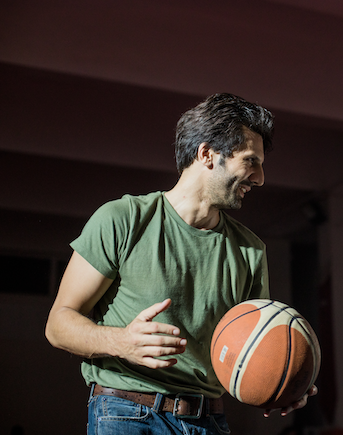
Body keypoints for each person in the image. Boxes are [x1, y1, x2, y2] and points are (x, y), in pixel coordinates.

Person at [45, 93, 316, 434]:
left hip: (208, 420)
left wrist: (280, 380)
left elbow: (248, 347)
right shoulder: (123, 219)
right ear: (207, 154)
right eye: (251, 161)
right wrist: (122, 342)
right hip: (127, 411)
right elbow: (58, 324)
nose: (260, 177)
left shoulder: (250, 251)